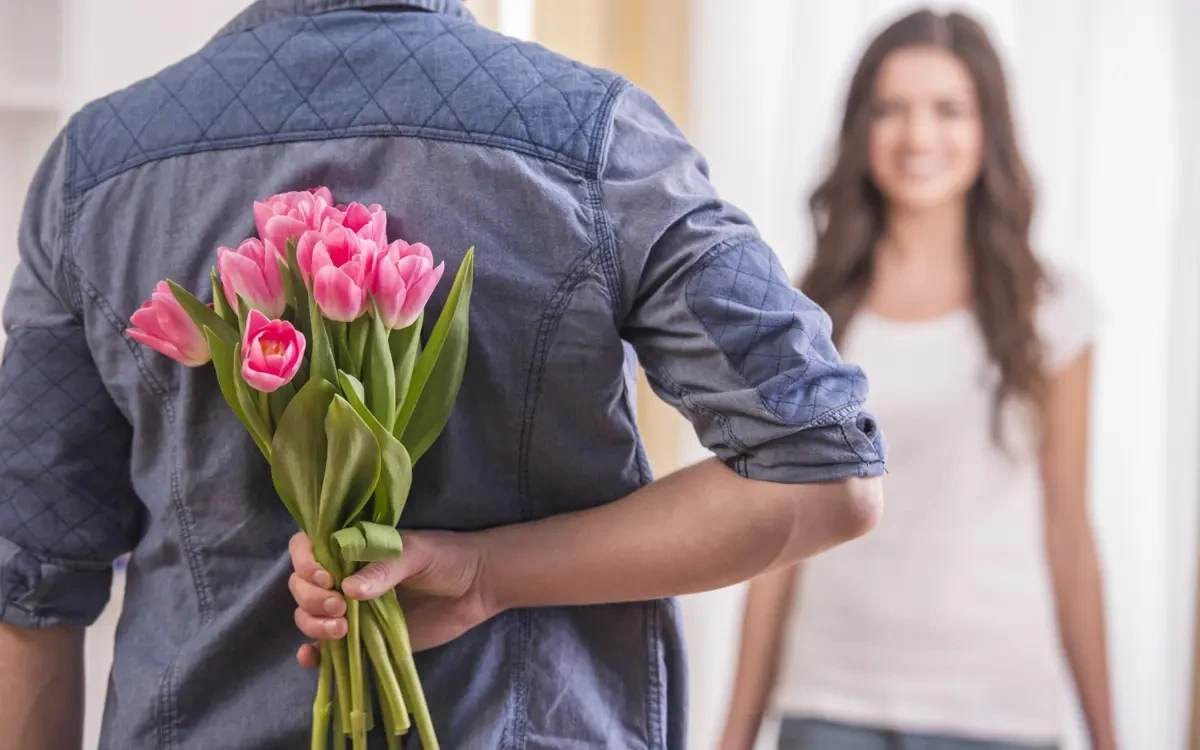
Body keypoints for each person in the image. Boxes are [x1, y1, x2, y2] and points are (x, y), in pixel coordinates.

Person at [0, 1, 886, 748]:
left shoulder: (94, 171)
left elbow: (28, 581)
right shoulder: (596, 139)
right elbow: (825, 474)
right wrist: (489, 573)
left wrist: (481, 569)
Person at [717, 9, 1117, 750]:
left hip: (996, 713)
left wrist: (1108, 736)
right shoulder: (808, 312)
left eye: (948, 109)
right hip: (829, 702)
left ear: (989, 128)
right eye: (890, 110)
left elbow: (1068, 529)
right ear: (859, 129)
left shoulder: (1054, 309)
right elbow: (782, 534)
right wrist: (734, 734)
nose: (918, 135)